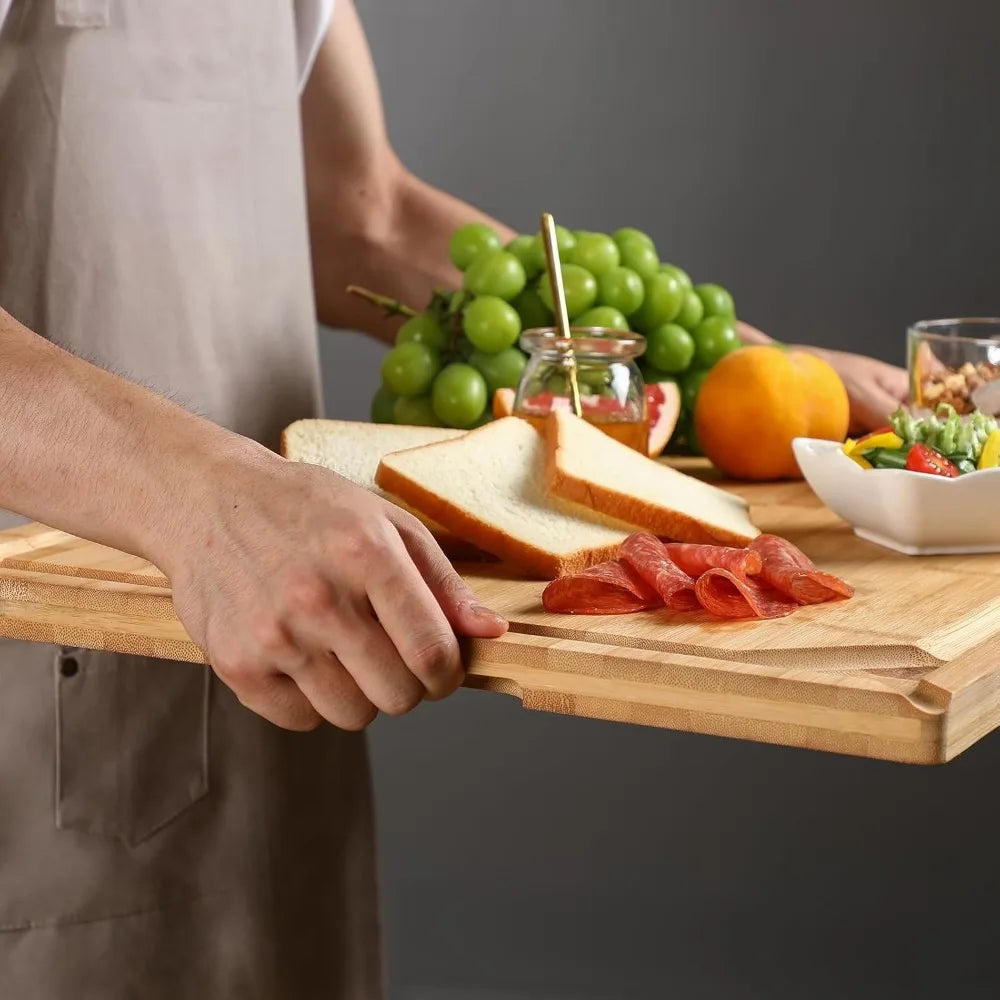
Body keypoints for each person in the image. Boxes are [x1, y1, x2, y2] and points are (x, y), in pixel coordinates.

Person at [0, 0, 906, 996]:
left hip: (289, 674)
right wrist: (199, 494)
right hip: (46, 712)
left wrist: (741, 378)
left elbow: (361, 215)